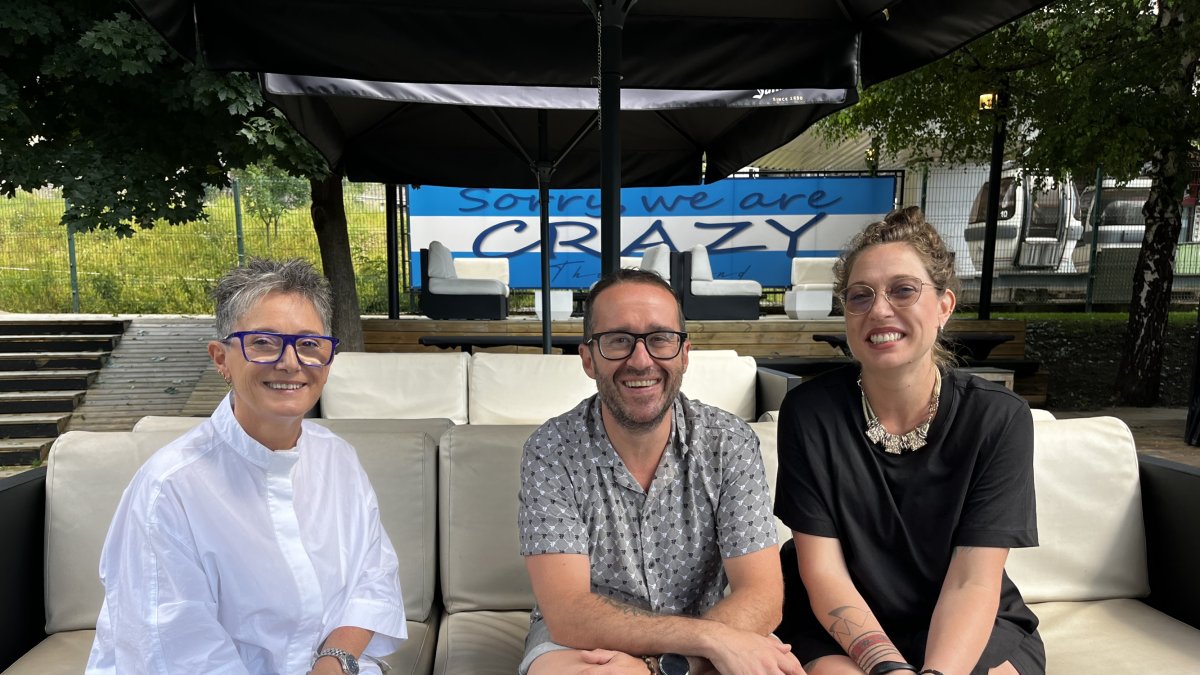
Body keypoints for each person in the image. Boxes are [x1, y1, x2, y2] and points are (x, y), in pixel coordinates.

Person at [86, 258, 406, 675]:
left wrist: (334, 661)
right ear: (221, 359)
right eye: (264, 342)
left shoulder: (338, 459)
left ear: (327, 361)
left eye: (309, 345)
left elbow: (373, 577)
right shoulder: (170, 489)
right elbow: (177, 651)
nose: (290, 362)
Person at [773, 207, 1044, 675]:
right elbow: (824, 574)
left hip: (967, 621)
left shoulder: (998, 419)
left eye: (903, 290)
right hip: (838, 626)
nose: (879, 309)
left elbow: (971, 582)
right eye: (860, 296)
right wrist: (890, 670)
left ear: (943, 305)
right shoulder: (809, 413)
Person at [517, 268, 804, 675]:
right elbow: (568, 612)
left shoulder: (728, 442)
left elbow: (761, 595)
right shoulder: (551, 451)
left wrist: (666, 665)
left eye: (660, 339)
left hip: (711, 630)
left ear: (684, 354)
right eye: (618, 340)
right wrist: (707, 643)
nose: (640, 360)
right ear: (587, 359)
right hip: (588, 646)